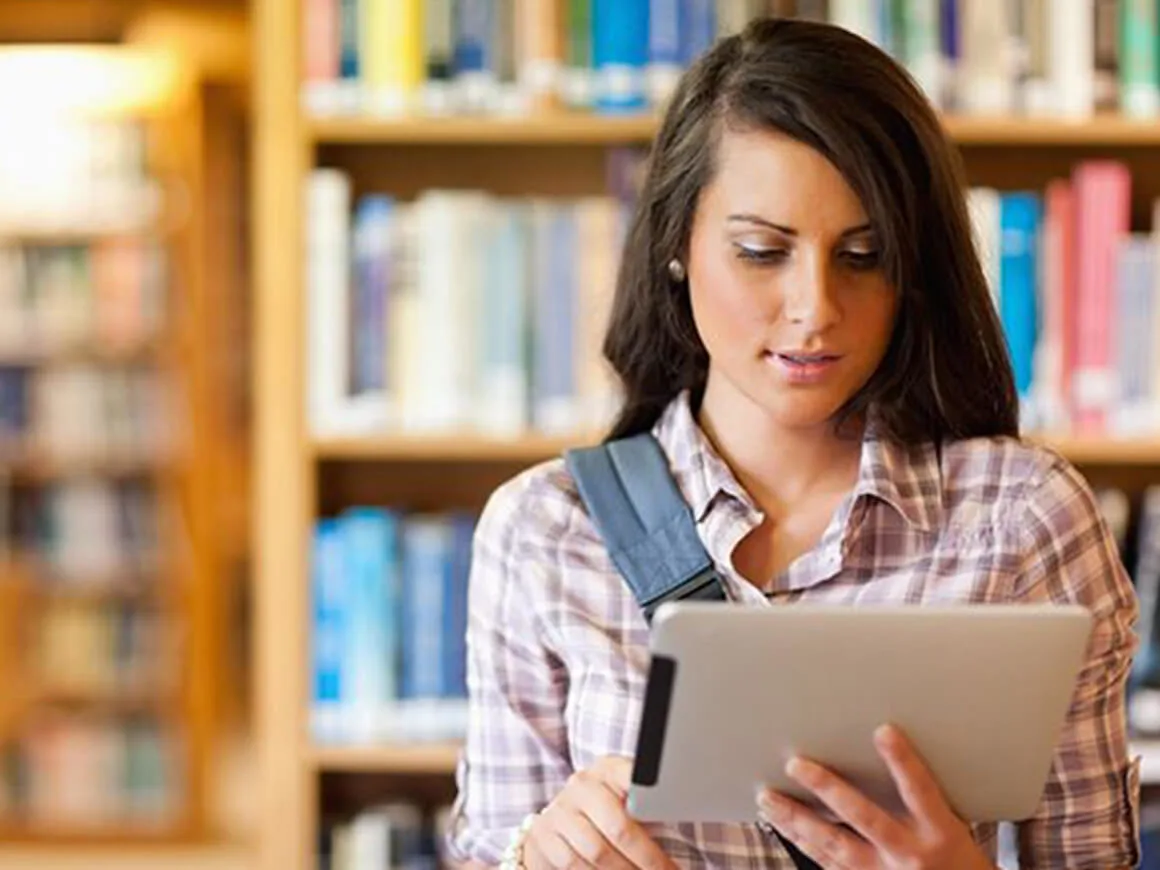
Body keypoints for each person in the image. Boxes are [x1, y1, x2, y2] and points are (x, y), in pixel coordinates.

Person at [443, 17, 1141, 870]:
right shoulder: (544, 531)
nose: (814, 309)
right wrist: (535, 854)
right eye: (760, 252)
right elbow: (489, 848)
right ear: (676, 246)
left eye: (863, 255)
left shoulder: (1024, 519)